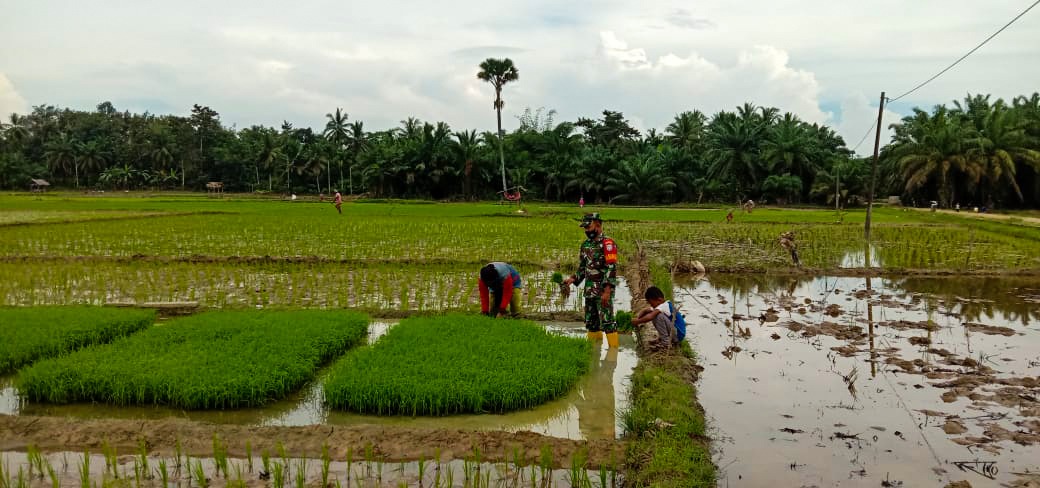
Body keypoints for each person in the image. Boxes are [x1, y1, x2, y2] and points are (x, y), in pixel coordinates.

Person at [563, 213, 620, 347]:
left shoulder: (608, 244)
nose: (587, 230)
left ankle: (613, 352)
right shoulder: (585, 245)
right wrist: (572, 279)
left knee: (607, 321)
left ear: (598, 225)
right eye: (585, 228)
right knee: (591, 322)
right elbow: (583, 267)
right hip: (589, 291)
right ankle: (593, 351)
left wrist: (607, 291)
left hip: (603, 291)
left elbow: (611, 268)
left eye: (588, 227)